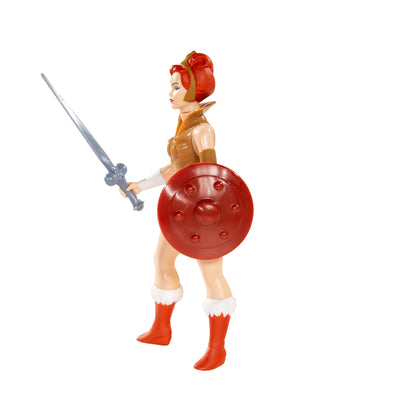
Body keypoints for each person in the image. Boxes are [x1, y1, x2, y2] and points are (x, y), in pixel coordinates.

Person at [120, 51, 236, 371]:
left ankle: (217, 349)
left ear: (193, 90)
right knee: (161, 259)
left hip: (206, 216)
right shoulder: (184, 126)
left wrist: (208, 217)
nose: (170, 93)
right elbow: (175, 168)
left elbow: (210, 175)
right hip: (180, 210)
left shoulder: (202, 131)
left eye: (176, 87)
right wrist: (140, 185)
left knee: (211, 273)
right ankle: (162, 329)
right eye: (171, 86)